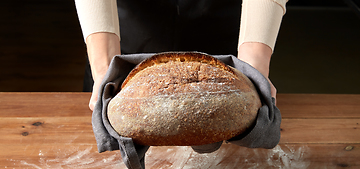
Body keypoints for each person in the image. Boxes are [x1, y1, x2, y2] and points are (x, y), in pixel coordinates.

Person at [75, 0, 288, 111]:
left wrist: (254, 62)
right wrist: (105, 67)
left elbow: (252, 64)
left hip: (225, 30)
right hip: (125, 32)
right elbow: (106, 69)